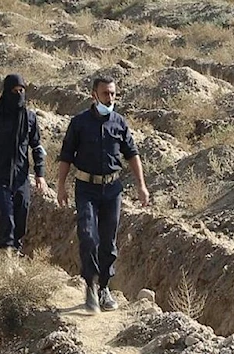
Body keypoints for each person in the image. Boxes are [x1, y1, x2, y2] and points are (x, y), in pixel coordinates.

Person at [57, 76, 149, 313]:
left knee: (108, 242)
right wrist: (60, 186)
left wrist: (141, 185)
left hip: (112, 189)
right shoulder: (79, 123)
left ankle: (104, 288)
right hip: (86, 188)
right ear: (94, 95)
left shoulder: (120, 123)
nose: (110, 98)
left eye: (113, 94)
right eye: (106, 94)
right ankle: (90, 283)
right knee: (88, 236)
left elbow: (132, 154)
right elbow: (66, 155)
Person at [0, 73, 48, 255]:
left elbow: (37, 146)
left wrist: (40, 174)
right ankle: (5, 259)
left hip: (21, 177)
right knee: (7, 218)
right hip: (0, 177)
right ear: (7, 92)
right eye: (15, 91)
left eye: (22, 90)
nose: (19, 94)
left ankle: (15, 252)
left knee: (21, 215)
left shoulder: (30, 118)